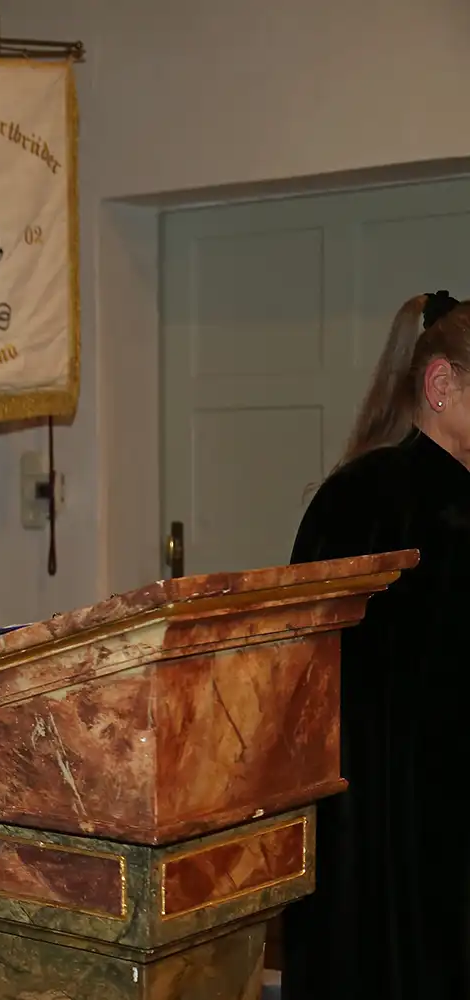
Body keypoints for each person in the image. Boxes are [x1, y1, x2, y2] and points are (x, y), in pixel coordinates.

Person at [283, 291, 470, 1000]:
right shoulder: (382, 499)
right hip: (405, 820)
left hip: (365, 825)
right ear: (441, 384)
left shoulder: (347, 494)